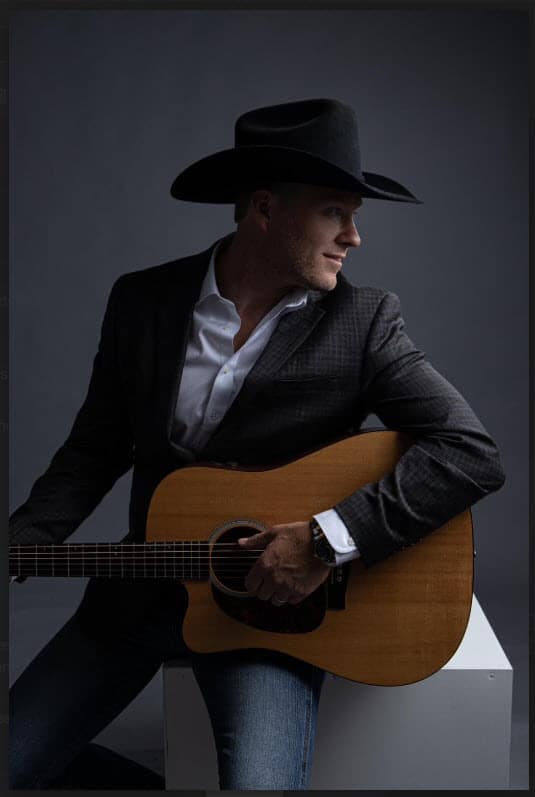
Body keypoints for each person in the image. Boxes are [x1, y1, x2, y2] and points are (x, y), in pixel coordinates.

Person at [9, 98, 506, 790]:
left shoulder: (362, 323)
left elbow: (468, 451)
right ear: (265, 209)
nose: (353, 238)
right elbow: (96, 444)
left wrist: (324, 540)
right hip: (140, 591)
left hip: (274, 613)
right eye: (336, 211)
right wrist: (25, 536)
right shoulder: (143, 301)